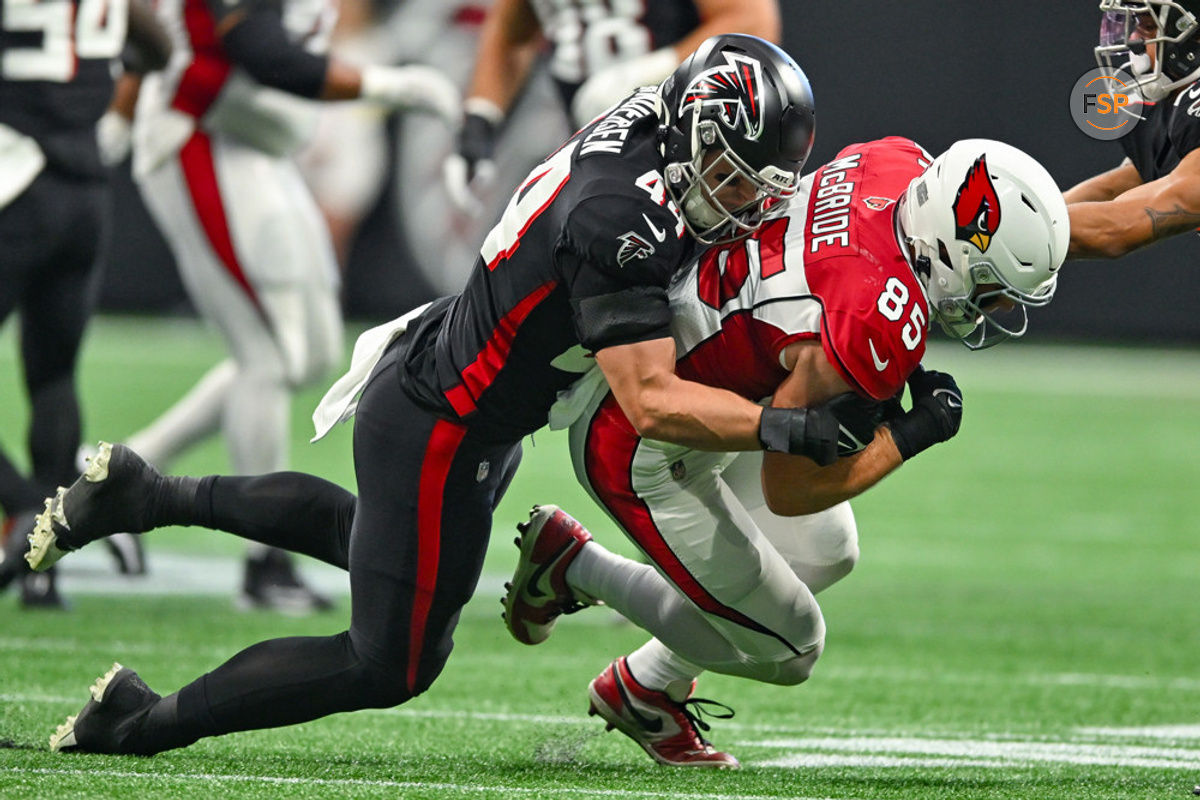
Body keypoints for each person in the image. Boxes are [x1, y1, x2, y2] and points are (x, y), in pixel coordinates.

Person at [25, 34, 823, 756]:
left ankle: (145, 492)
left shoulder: (656, 123)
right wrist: (784, 426)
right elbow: (649, 399)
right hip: (446, 424)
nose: (743, 206)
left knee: (379, 548)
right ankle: (139, 718)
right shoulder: (623, 222)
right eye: (728, 179)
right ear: (690, 137)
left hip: (458, 382)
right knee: (392, 661)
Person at [501, 136, 1070, 767]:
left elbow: (825, 286)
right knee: (790, 649)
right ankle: (574, 566)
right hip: (649, 438)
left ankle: (644, 688)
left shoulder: (900, 165)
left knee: (826, 550)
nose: (987, 309)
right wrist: (913, 434)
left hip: (709, 371)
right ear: (951, 249)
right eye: (988, 290)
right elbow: (791, 487)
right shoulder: (871, 319)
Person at [95, 0, 460, 612]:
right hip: (202, 131)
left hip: (257, 138)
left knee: (310, 353)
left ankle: (121, 470)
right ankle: (263, 558)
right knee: (266, 353)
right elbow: (262, 52)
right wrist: (388, 85)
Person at [0, 0, 172, 608]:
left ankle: (25, 510)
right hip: (84, 188)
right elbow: (156, 42)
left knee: (52, 375)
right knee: (52, 376)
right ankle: (44, 565)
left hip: (16, 171)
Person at [443, 0, 781, 214]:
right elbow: (510, 31)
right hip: (595, 155)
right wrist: (479, 121)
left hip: (692, 145)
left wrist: (647, 74)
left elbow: (751, 21)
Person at [1067, 0, 1200, 256]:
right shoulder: (1175, 114)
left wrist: (998, 231)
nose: (1133, 40)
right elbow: (1114, 189)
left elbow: (1118, 227)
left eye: (1148, 27)